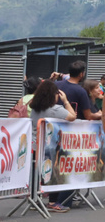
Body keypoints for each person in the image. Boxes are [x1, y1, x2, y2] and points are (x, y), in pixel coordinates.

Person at [29, 79, 76, 213]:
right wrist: (66, 101)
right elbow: (72, 116)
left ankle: (34, 199)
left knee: (36, 174)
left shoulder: (34, 108)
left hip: (34, 145)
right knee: (54, 172)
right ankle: (53, 202)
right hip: (48, 147)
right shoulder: (55, 109)